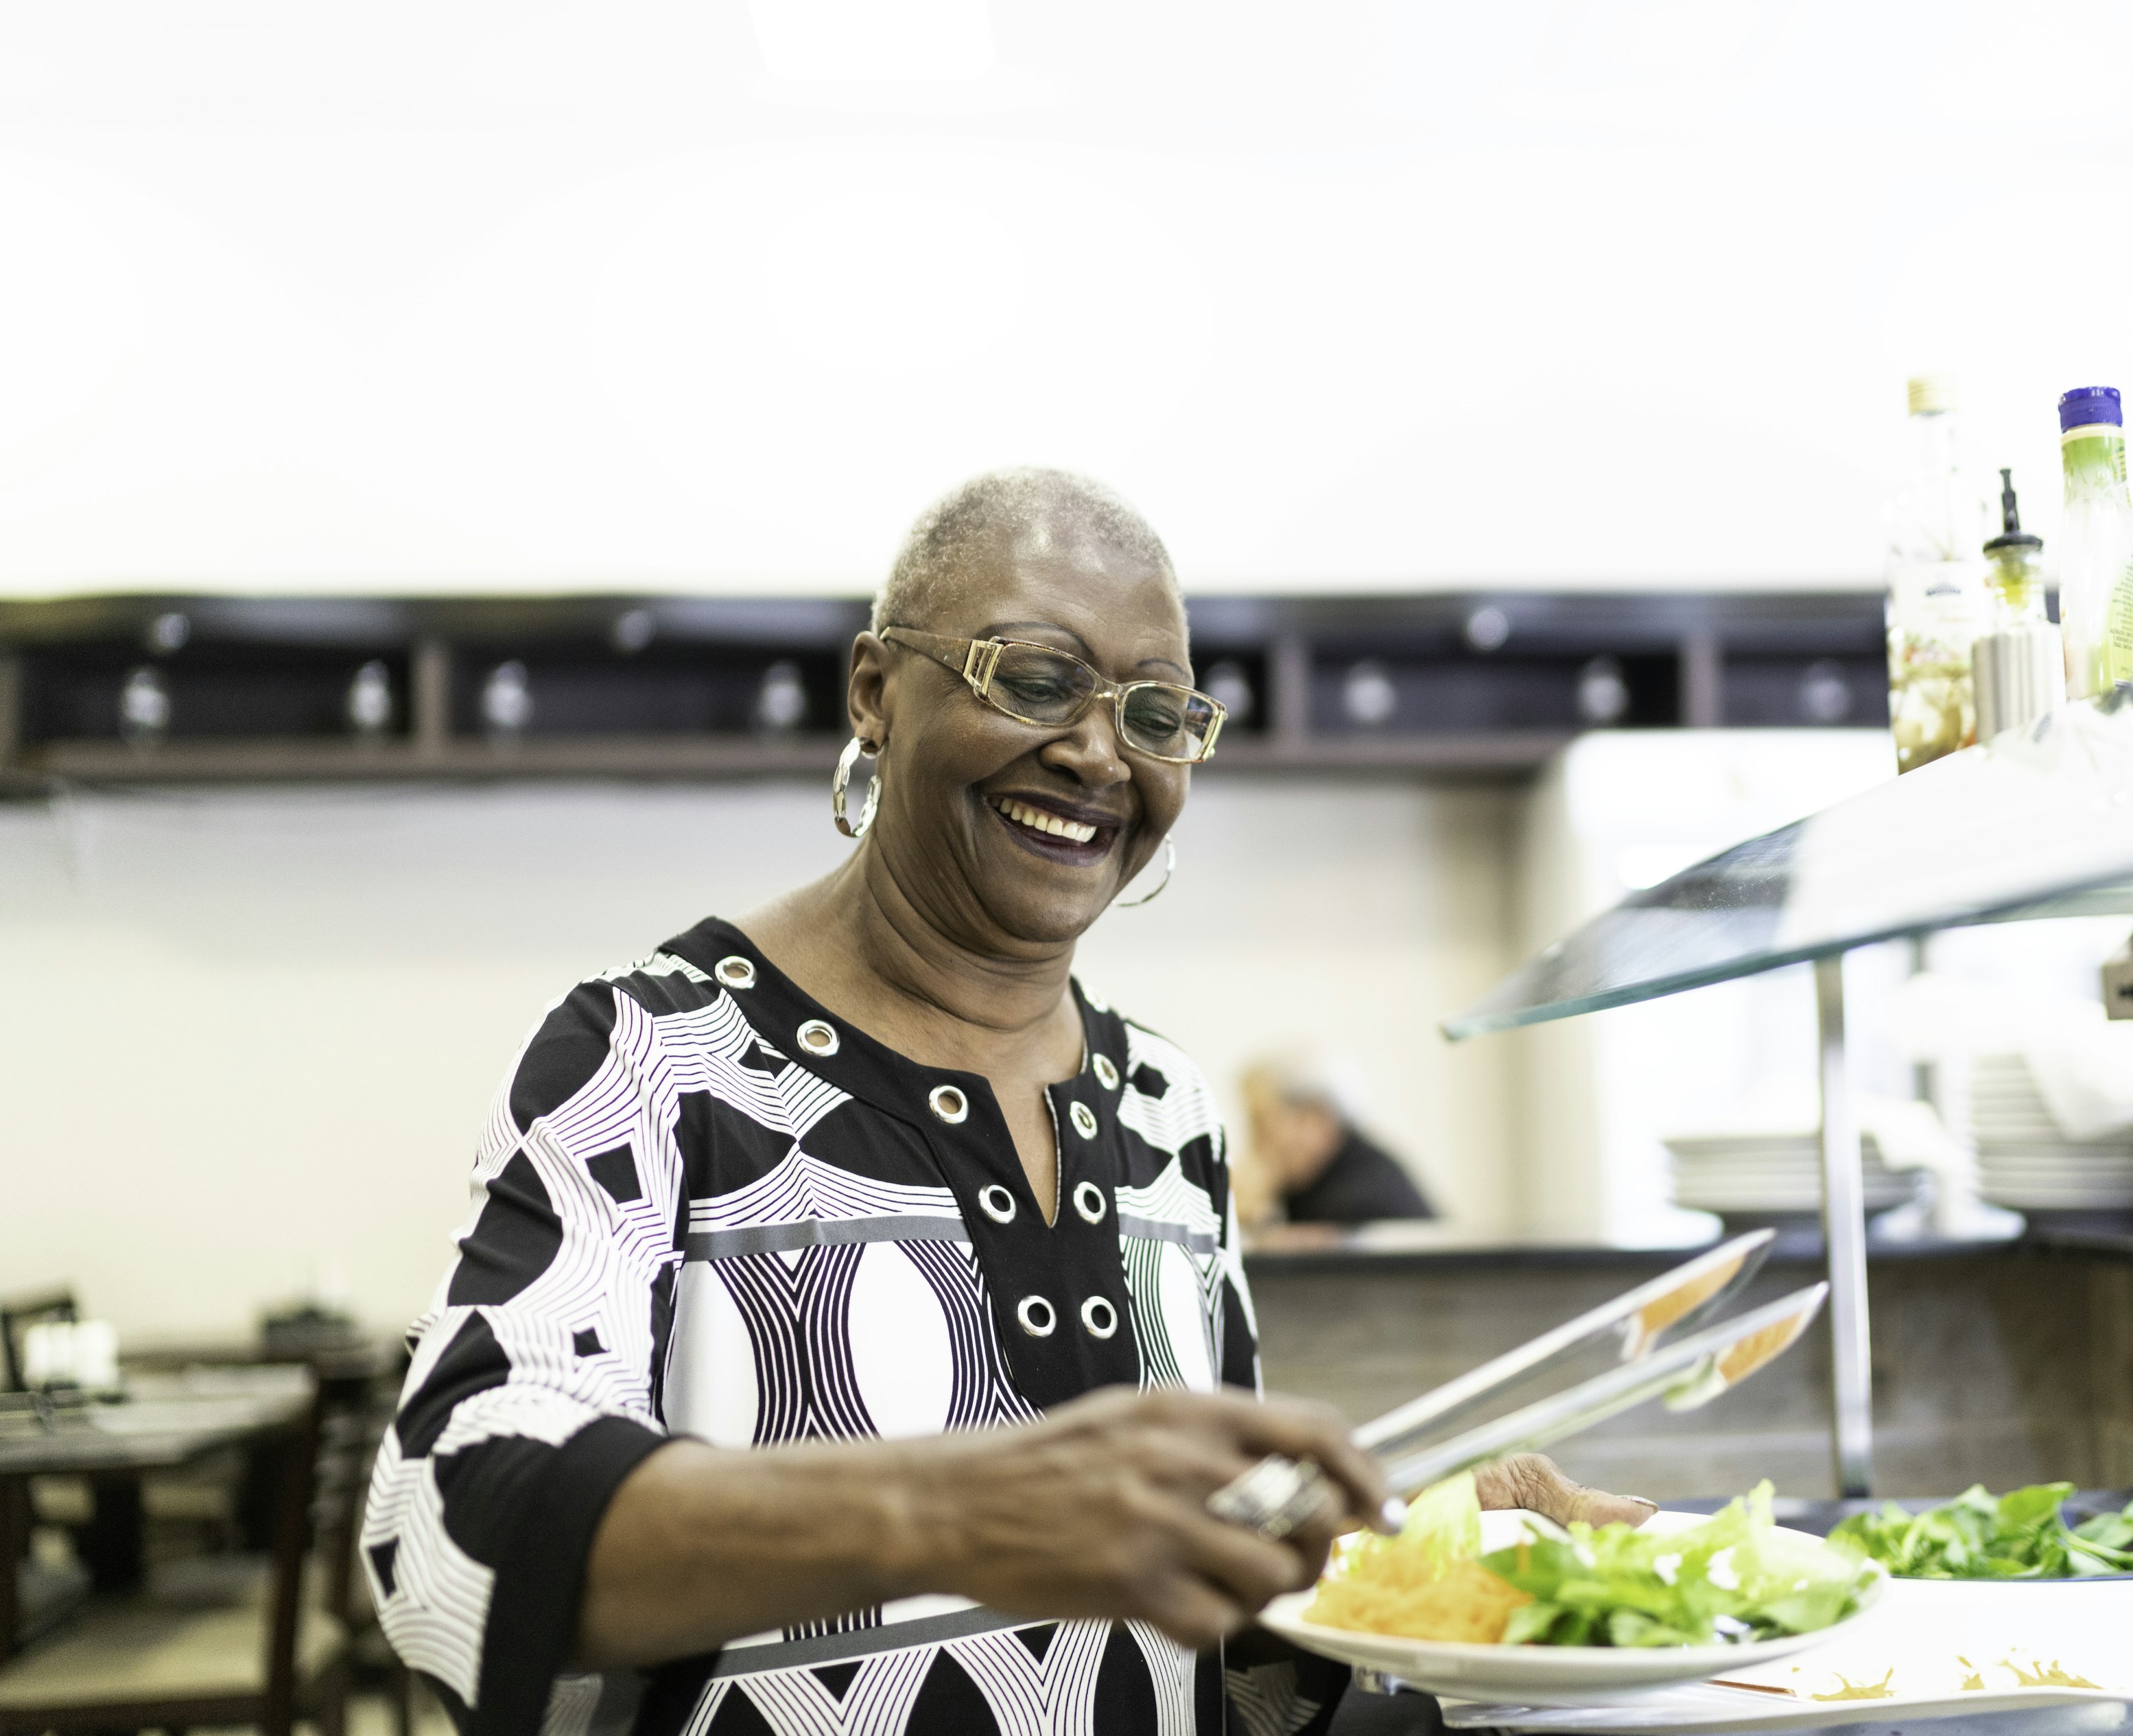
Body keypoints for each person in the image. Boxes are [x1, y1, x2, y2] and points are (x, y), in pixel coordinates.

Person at [363, 469, 1646, 1736]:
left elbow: (1229, 1671)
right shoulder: (655, 1050)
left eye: (1156, 715)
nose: (1097, 753)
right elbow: (447, 1529)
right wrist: (953, 1512)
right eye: (1033, 681)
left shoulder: (1165, 1108)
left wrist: (1413, 1557)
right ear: (874, 690)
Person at [1236, 1053, 1437, 1245]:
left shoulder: (1357, 1200)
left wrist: (1255, 1216)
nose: (1255, 1141)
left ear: (1315, 1119)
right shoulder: (1329, 1180)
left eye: (1261, 1122)